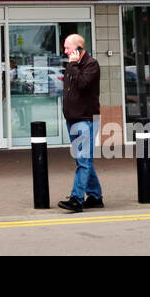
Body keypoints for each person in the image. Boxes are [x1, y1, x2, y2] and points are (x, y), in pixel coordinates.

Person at [58, 33, 103, 212]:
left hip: (86, 120)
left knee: (83, 161)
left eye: (68, 48)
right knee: (84, 160)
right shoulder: (72, 65)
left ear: (78, 48)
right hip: (73, 119)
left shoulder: (91, 64)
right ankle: (95, 196)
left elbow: (83, 84)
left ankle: (77, 198)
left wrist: (74, 65)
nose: (65, 51)